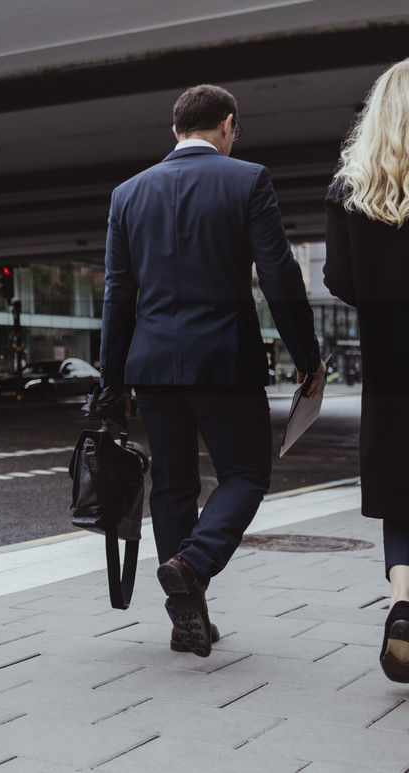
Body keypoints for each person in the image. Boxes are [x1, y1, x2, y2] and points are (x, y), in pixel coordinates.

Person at [98, 84, 323, 658]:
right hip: (225, 358)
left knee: (172, 485)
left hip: (151, 364)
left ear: (177, 130)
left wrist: (112, 377)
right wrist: (308, 356)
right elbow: (278, 275)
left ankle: (184, 619)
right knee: (246, 475)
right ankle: (192, 564)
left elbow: (119, 296)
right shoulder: (248, 179)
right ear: (227, 125)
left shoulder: (127, 193)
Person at [323, 58, 409, 682]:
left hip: (390, 365)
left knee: (401, 494)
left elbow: (337, 279)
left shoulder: (350, 190)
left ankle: (403, 601)